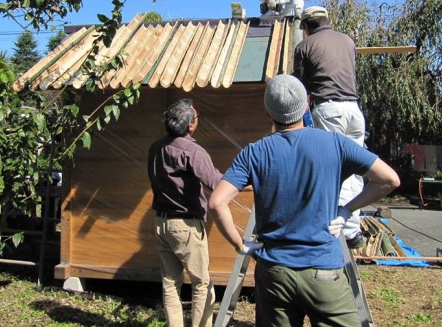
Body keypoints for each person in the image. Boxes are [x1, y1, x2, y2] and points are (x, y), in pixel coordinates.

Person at [209, 74, 400, 327]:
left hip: (275, 272)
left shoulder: (254, 152)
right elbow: (389, 180)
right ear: (308, 103)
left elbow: (216, 203)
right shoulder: (335, 144)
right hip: (324, 271)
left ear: (268, 112)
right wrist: (346, 210)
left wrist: (240, 244)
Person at [293, 5, 367, 248]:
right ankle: (352, 231)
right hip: (354, 111)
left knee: (329, 169)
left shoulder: (305, 46)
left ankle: (330, 228)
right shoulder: (347, 41)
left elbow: (299, 88)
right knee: (354, 169)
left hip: (330, 110)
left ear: (306, 26)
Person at [147, 99, 223, 327]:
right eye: (197, 118)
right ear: (190, 126)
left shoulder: (155, 148)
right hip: (186, 226)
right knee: (201, 284)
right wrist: (248, 181)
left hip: (162, 223)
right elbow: (215, 182)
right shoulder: (193, 151)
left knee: (170, 284)